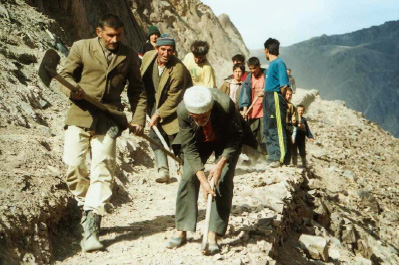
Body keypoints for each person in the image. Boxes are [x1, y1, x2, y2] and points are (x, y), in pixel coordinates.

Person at [59, 14, 147, 252]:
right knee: (73, 164)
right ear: (99, 32)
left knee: (103, 167)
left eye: (118, 35)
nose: (114, 39)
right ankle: (87, 203)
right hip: (80, 114)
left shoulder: (128, 55)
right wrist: (73, 90)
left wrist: (139, 118)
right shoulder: (81, 47)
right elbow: (64, 76)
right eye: (110, 35)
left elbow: (137, 91)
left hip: (109, 117)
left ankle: (91, 223)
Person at [167, 86, 245, 255]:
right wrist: (203, 181)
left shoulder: (225, 105)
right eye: (196, 118)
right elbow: (189, 148)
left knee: (222, 179)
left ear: (210, 109)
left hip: (226, 140)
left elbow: (236, 136)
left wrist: (219, 165)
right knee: (188, 175)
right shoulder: (183, 109)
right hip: (199, 140)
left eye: (204, 117)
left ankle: (213, 232)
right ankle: (182, 228)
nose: (200, 120)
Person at [141, 34, 192, 183]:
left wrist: (158, 113)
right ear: (156, 48)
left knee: (177, 136)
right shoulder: (148, 57)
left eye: (170, 50)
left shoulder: (178, 69)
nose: (166, 53)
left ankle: (182, 166)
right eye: (162, 49)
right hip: (155, 101)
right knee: (155, 134)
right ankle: (163, 169)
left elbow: (174, 98)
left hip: (178, 104)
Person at [263, 38, 290, 168]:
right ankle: (272, 155)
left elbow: (284, 85)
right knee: (268, 127)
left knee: (277, 127)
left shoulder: (279, 63)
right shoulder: (271, 65)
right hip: (268, 97)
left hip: (274, 97)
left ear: (267, 50)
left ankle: (279, 158)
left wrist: (281, 98)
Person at [239, 57, 267, 154]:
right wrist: (245, 109)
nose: (252, 71)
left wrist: (266, 93)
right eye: (250, 69)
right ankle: (253, 156)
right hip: (253, 111)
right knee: (252, 133)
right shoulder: (249, 77)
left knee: (264, 134)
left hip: (265, 111)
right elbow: (246, 93)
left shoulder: (266, 75)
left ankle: (265, 155)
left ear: (259, 66)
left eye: (254, 68)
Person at [283, 87, 297, 165]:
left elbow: (294, 116)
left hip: (288, 126)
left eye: (290, 95)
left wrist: (294, 120)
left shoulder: (291, 106)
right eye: (287, 94)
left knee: (289, 145)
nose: (288, 96)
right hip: (280, 126)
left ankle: (286, 163)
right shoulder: (280, 103)